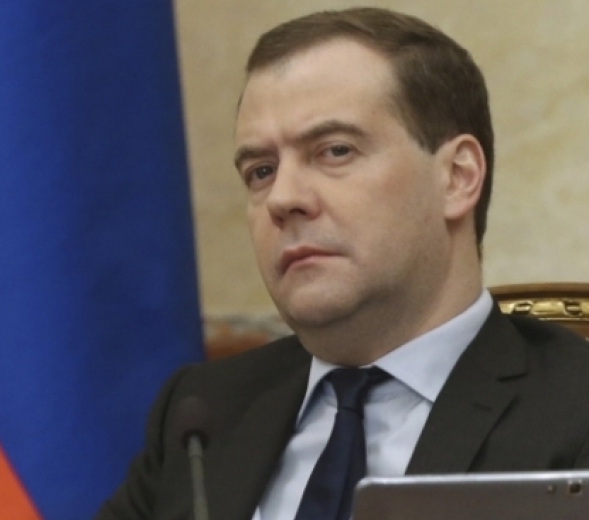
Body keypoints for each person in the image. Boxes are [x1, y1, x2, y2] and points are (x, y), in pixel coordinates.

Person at [94, 7, 589, 520]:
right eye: (261, 171)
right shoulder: (201, 415)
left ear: (457, 177)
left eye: (334, 151)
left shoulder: (574, 410)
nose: (283, 198)